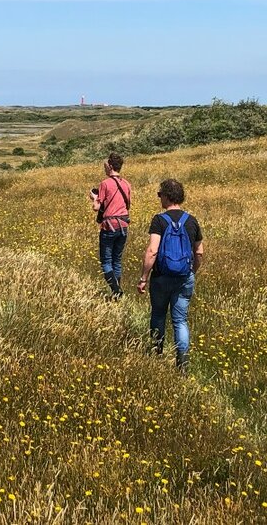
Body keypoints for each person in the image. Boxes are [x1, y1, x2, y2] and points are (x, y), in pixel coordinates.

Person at [136, 179, 204, 374]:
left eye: (160, 195)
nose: (159, 198)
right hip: (184, 277)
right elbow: (199, 252)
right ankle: (182, 365)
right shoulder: (191, 221)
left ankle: (156, 354)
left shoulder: (159, 220)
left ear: (166, 196)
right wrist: (192, 272)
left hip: (161, 277)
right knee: (180, 320)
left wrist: (143, 278)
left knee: (158, 314)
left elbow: (152, 251)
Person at [89, 153, 131, 299]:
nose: (105, 168)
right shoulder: (126, 184)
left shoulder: (105, 184)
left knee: (106, 261)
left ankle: (116, 291)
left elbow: (96, 207)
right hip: (124, 224)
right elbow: (127, 205)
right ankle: (117, 293)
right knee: (117, 260)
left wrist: (94, 198)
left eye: (105, 166)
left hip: (109, 225)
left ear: (110, 166)